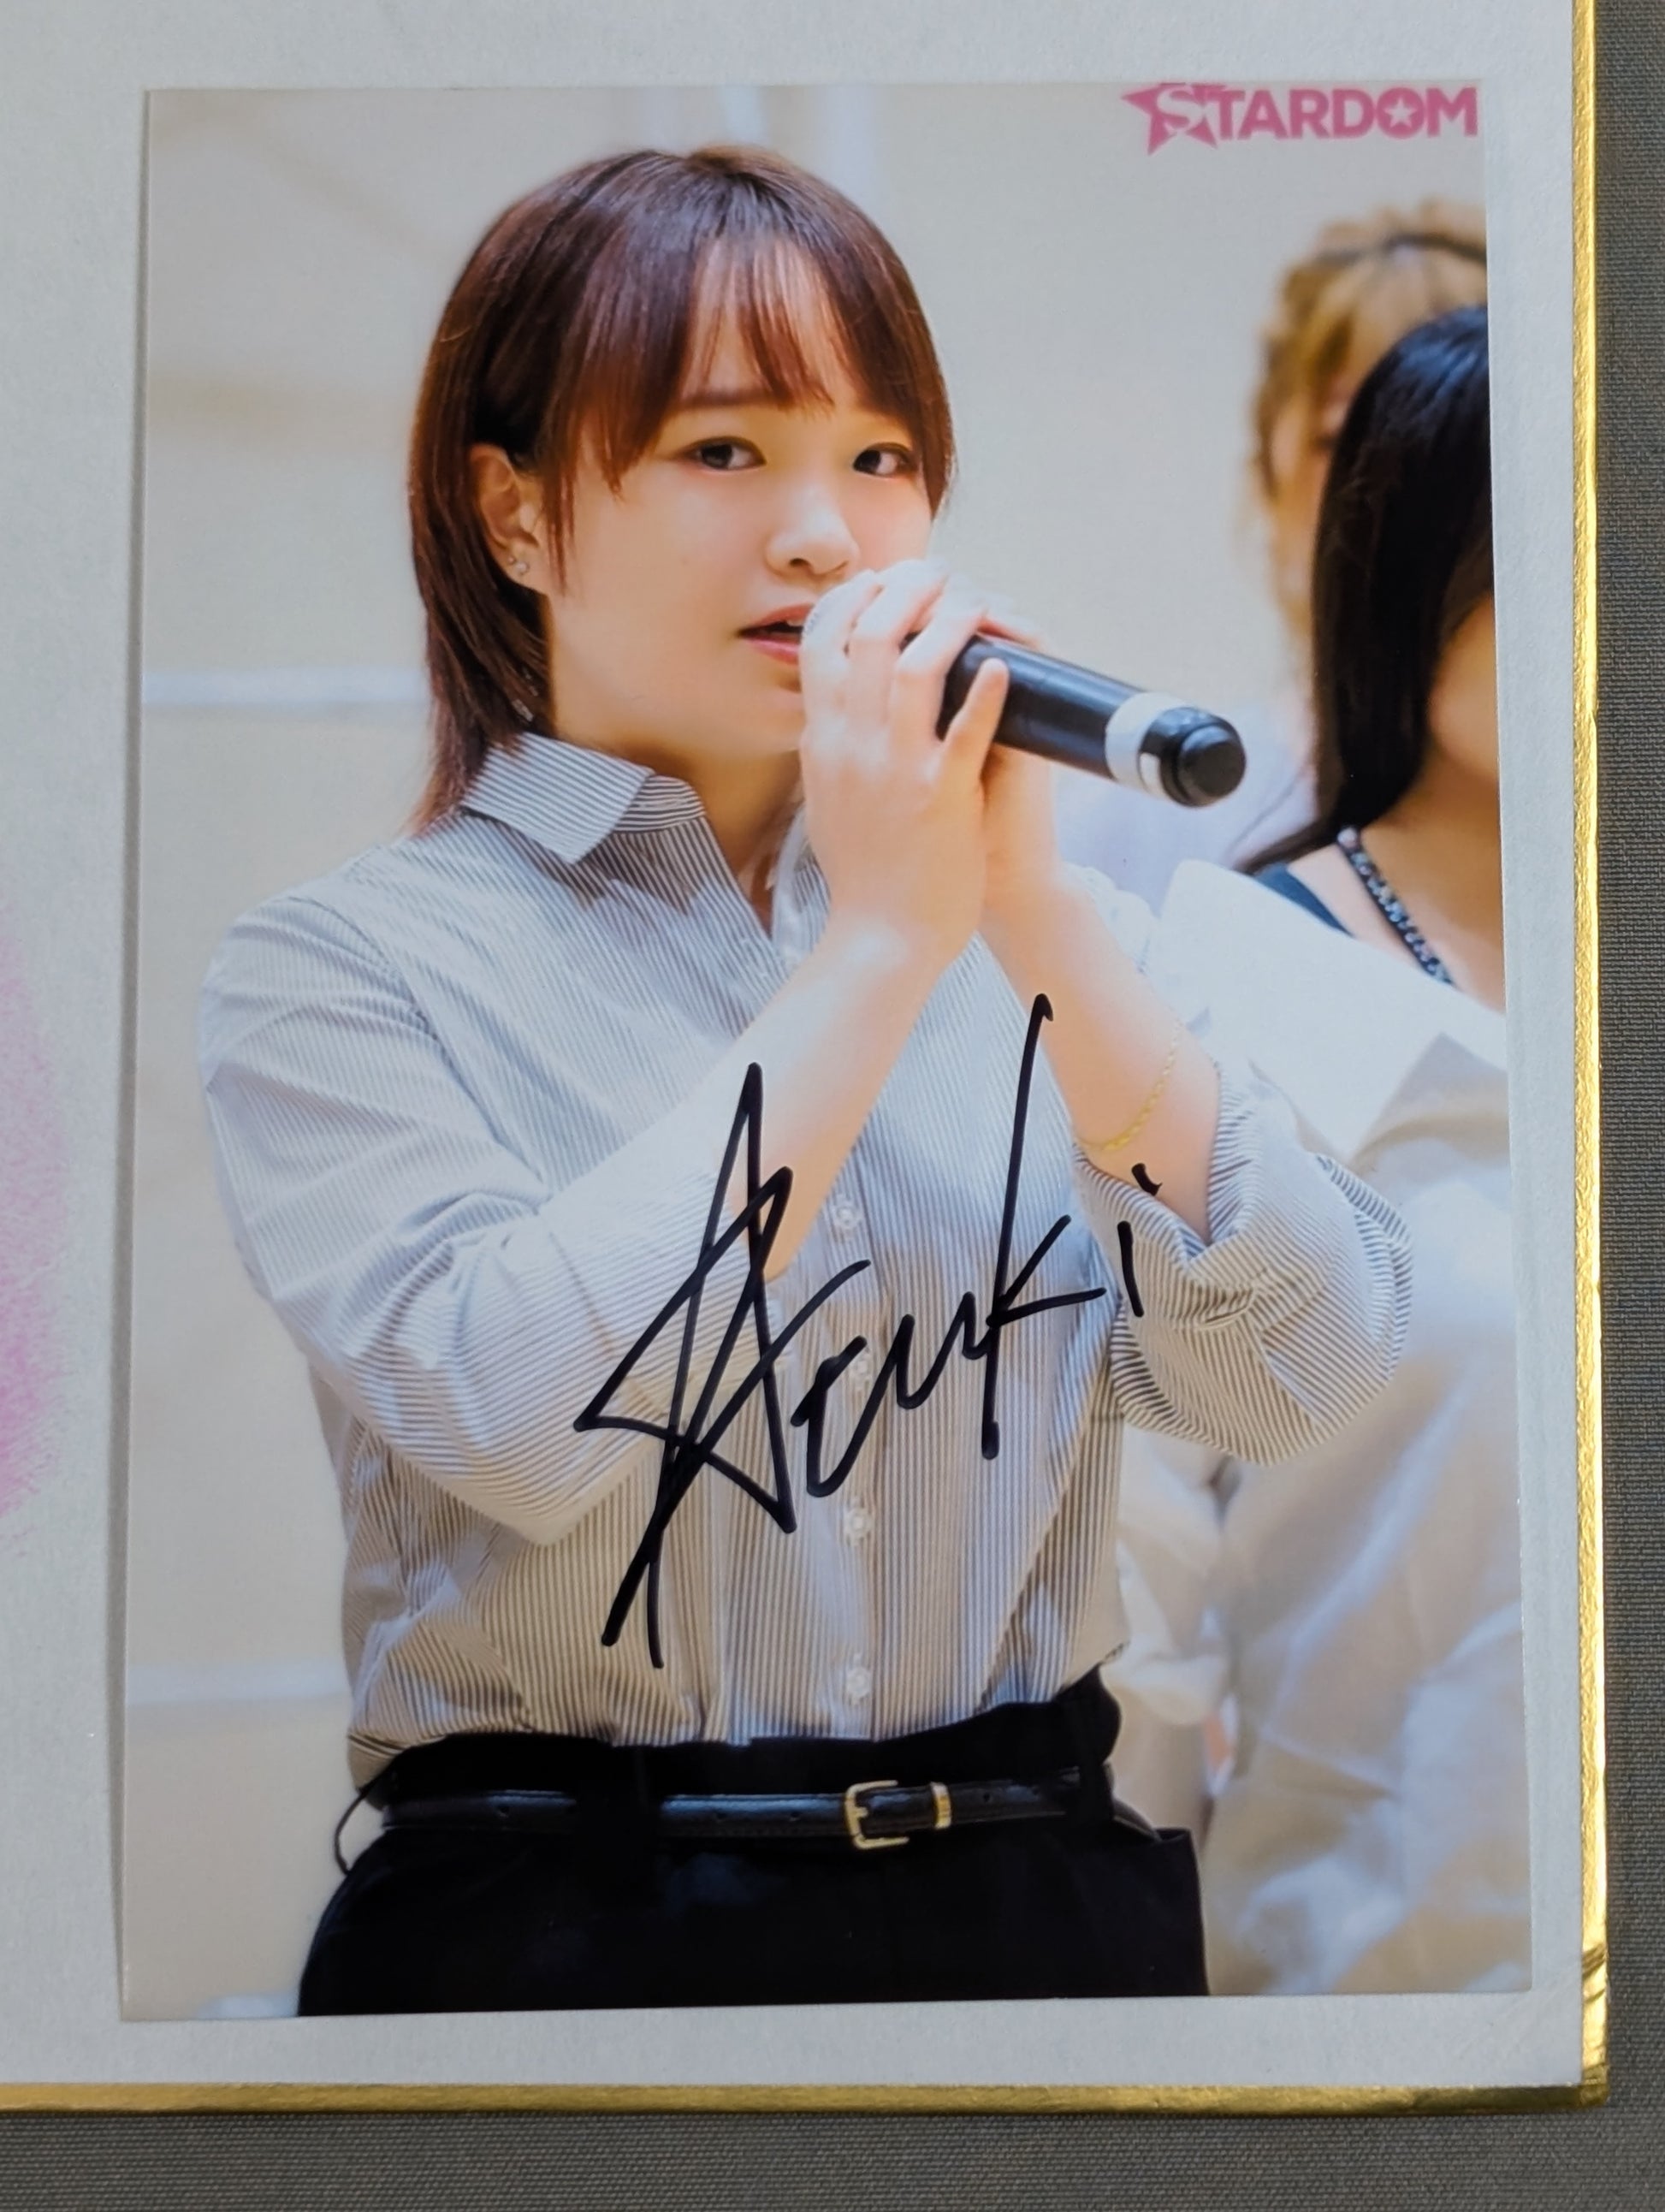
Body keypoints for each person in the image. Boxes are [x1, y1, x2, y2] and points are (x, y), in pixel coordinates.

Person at [198, 145, 1410, 2015]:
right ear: (513, 515)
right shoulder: (347, 969)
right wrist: (875, 954)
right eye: (723, 449)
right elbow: (521, 1417)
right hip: (564, 1935)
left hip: (1040, 1911)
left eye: (879, 455)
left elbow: (1308, 1374)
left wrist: (1030, 917)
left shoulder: (1051, 940)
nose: (827, 536)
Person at [1106, 306, 1524, 1993]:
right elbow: (1132, 1578)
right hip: (1365, 1972)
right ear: (1411, 576)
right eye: (1543, 559)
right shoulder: (1233, 978)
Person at [1057, 201, 1487, 910]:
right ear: (1268, 470)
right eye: (1344, 440)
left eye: (1451, 453)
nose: (1400, 499)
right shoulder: (1139, 817)